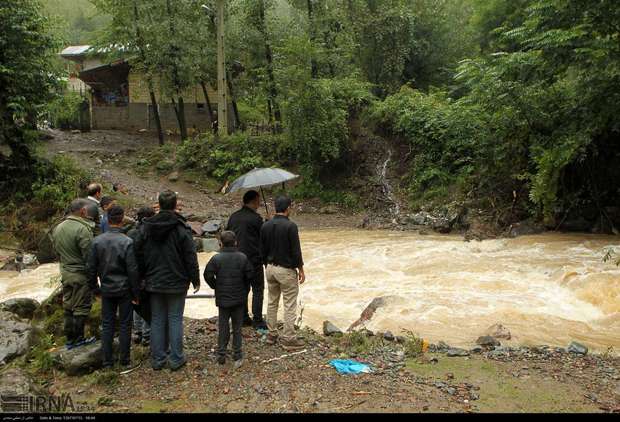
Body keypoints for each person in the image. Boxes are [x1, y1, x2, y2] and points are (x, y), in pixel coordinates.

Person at [133, 190, 200, 371]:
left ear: (159, 204)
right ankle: (176, 358)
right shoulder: (181, 228)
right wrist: (195, 279)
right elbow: (190, 256)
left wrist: (140, 277)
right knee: (175, 318)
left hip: (153, 280)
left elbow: (137, 252)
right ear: (175, 204)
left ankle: (158, 359)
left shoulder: (146, 227)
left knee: (157, 319)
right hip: (178, 280)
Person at [87, 205, 140, 368]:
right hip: (124, 289)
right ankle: (124, 360)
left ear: (107, 219)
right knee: (125, 324)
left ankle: (107, 361)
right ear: (122, 218)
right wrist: (136, 293)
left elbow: (90, 268)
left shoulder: (97, 241)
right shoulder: (127, 241)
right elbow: (132, 270)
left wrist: (95, 289)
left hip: (107, 289)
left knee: (107, 324)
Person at [260, 196, 306, 351]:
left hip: (270, 268)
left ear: (275, 208)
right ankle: (288, 338)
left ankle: (272, 334)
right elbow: (295, 251)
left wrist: (266, 264)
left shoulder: (265, 226)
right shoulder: (291, 226)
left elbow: (263, 250)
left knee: (272, 301)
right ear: (288, 208)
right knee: (289, 304)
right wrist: (301, 269)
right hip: (285, 270)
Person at [52, 198, 99, 349]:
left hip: (65, 272)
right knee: (81, 307)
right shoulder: (82, 229)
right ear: (83, 211)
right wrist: (94, 279)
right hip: (80, 274)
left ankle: (70, 340)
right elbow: (89, 257)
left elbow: (57, 251)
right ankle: (79, 339)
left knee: (68, 306)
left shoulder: (58, 227)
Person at [204, 231, 253, 369]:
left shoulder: (216, 259)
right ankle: (237, 354)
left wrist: (216, 286)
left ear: (221, 243)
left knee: (223, 326)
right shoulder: (242, 257)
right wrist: (245, 289)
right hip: (239, 298)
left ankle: (221, 355)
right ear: (236, 242)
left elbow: (207, 274)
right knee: (237, 327)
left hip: (223, 298)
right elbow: (250, 274)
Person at [225, 190, 267, 329]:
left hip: (235, 259)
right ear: (254, 201)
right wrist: (267, 222)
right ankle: (258, 320)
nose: (260, 203)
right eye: (258, 200)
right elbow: (264, 238)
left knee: (242, 289)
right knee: (258, 289)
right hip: (253, 259)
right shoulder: (256, 219)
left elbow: (226, 236)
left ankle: (243, 317)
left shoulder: (233, 217)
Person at [127, 206, 156, 346]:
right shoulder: (151, 233)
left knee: (136, 302)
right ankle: (147, 335)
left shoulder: (131, 233)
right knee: (147, 304)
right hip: (147, 273)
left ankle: (137, 332)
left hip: (134, 273)